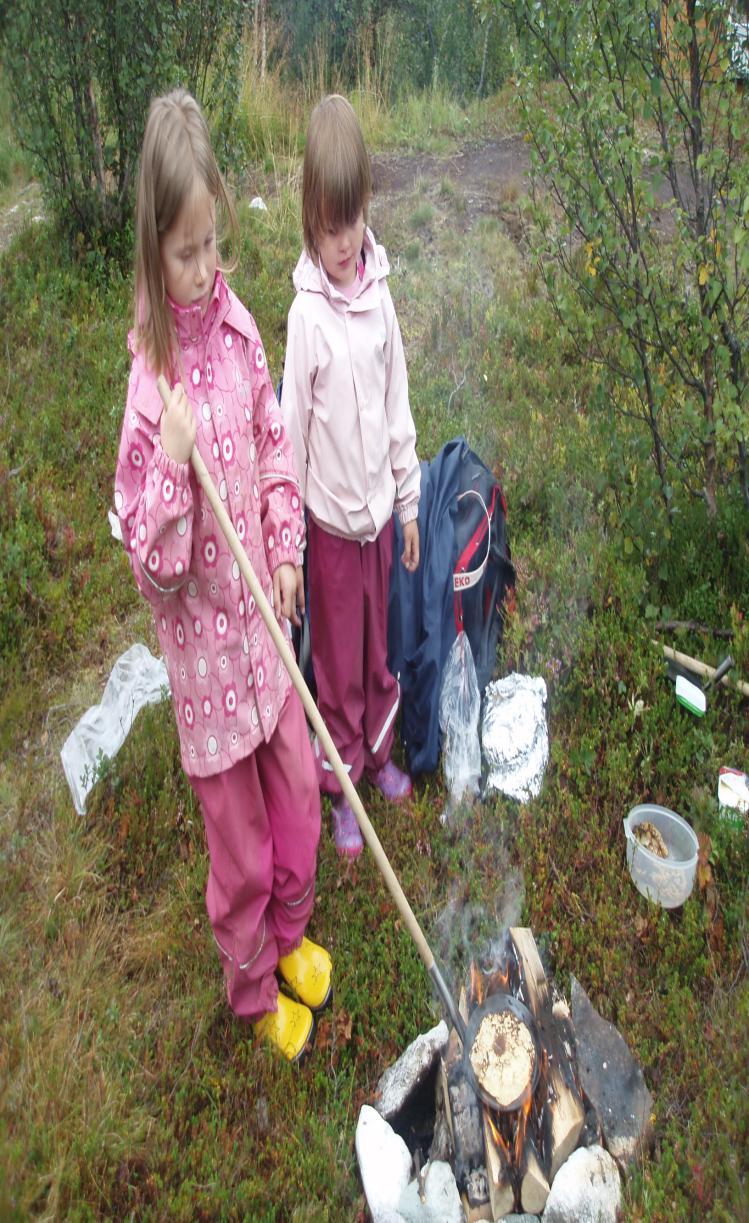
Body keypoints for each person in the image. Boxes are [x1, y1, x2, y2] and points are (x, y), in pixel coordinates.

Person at [114, 89, 331, 1063]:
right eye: (185, 253)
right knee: (237, 843)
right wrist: (167, 462)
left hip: (264, 638)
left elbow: (275, 449)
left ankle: (291, 936)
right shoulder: (146, 388)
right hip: (207, 673)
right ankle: (251, 983)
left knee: (293, 791)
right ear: (153, 256)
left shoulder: (242, 332)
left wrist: (285, 550)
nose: (205, 271)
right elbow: (150, 573)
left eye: (213, 247)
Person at [281, 94, 421, 859]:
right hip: (330, 532)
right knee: (333, 668)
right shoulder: (306, 319)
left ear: (368, 205)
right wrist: (288, 546)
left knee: (377, 651)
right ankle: (339, 787)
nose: (344, 242)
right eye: (329, 226)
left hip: (376, 523)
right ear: (310, 220)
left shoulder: (380, 301)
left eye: (354, 220)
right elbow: (290, 438)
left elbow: (397, 404)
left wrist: (406, 503)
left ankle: (378, 754)